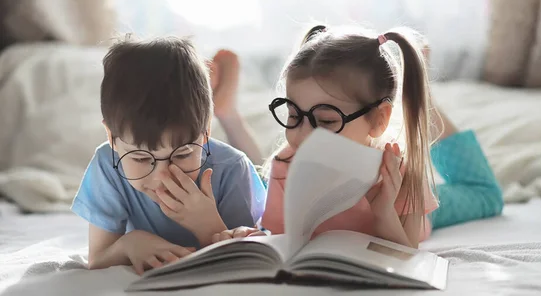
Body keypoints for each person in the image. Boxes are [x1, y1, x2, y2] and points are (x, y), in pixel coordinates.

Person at [210, 25, 504, 248]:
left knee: (484, 194)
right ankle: (229, 115)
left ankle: (418, 95)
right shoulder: (287, 163)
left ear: (378, 120)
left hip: (414, 211)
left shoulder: (399, 173)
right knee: (259, 179)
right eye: (293, 116)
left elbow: (407, 252)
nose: (302, 136)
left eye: (325, 121)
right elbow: (278, 239)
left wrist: (383, 210)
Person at [71, 36, 266, 275]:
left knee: (263, 168)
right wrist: (128, 244)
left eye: (183, 154)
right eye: (141, 158)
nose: (163, 175)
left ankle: (228, 112)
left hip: (246, 173)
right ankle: (219, 106)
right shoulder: (107, 166)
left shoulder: (233, 168)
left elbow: (246, 263)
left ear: (205, 135)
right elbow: (97, 260)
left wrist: (208, 226)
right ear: (111, 138)